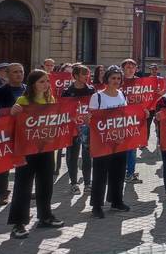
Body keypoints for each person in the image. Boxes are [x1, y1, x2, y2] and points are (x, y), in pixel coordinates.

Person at [8, 69, 64, 238]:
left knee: (46, 184)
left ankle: (45, 216)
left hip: (46, 149)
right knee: (23, 186)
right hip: (26, 150)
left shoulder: (50, 99)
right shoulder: (23, 100)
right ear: (33, 84)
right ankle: (18, 223)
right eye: (42, 81)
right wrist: (13, 112)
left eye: (47, 81)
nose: (46, 84)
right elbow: (13, 124)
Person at [89, 66, 131, 219]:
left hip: (119, 140)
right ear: (106, 79)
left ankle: (116, 200)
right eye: (113, 78)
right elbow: (92, 118)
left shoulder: (122, 94)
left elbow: (126, 115)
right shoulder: (97, 97)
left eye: (118, 78)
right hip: (102, 142)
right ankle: (97, 205)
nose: (116, 81)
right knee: (100, 174)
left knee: (119, 172)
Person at [0, 63, 26, 206]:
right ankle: (1, 194)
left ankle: (24, 190)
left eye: (21, 72)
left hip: (24, 134)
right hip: (5, 133)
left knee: (24, 165)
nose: (19, 74)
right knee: (2, 165)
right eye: (15, 72)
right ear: (8, 74)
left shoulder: (29, 90)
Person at [61, 64, 96, 194]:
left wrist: (91, 116)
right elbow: (63, 111)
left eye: (88, 73)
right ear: (75, 76)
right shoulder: (67, 91)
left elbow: (95, 108)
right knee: (72, 156)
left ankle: (87, 183)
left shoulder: (91, 90)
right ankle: (74, 183)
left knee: (87, 156)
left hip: (87, 128)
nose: (87, 76)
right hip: (73, 128)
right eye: (84, 74)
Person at [120, 58, 143, 184]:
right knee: (122, 147)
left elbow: (145, 98)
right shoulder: (118, 82)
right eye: (127, 67)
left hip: (135, 119)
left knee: (133, 147)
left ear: (136, 69)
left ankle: (130, 172)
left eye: (132, 67)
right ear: (123, 69)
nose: (130, 69)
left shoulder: (141, 82)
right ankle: (123, 171)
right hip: (120, 119)